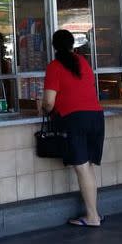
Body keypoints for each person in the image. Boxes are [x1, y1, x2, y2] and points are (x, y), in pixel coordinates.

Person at [39, 29, 105, 227]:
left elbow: (49, 102)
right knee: (88, 167)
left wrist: (42, 106)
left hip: (75, 119)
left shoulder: (54, 66)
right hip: (96, 117)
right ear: (72, 45)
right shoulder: (83, 62)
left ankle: (92, 217)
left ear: (54, 46)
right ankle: (94, 214)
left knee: (82, 169)